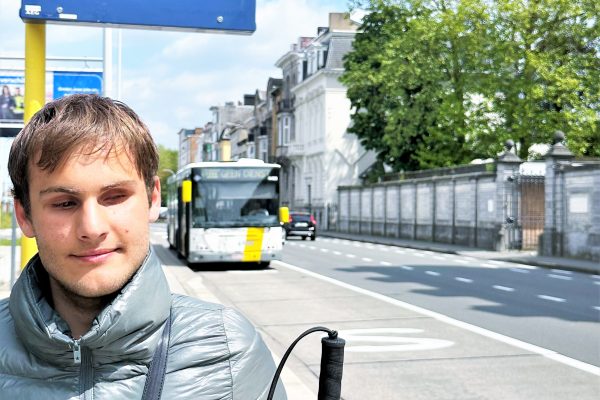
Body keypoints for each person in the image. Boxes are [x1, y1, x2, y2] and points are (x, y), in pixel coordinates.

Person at [0, 94, 287, 399]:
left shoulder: (228, 351)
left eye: (115, 197)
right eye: (64, 203)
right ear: (24, 216)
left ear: (152, 199)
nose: (92, 228)